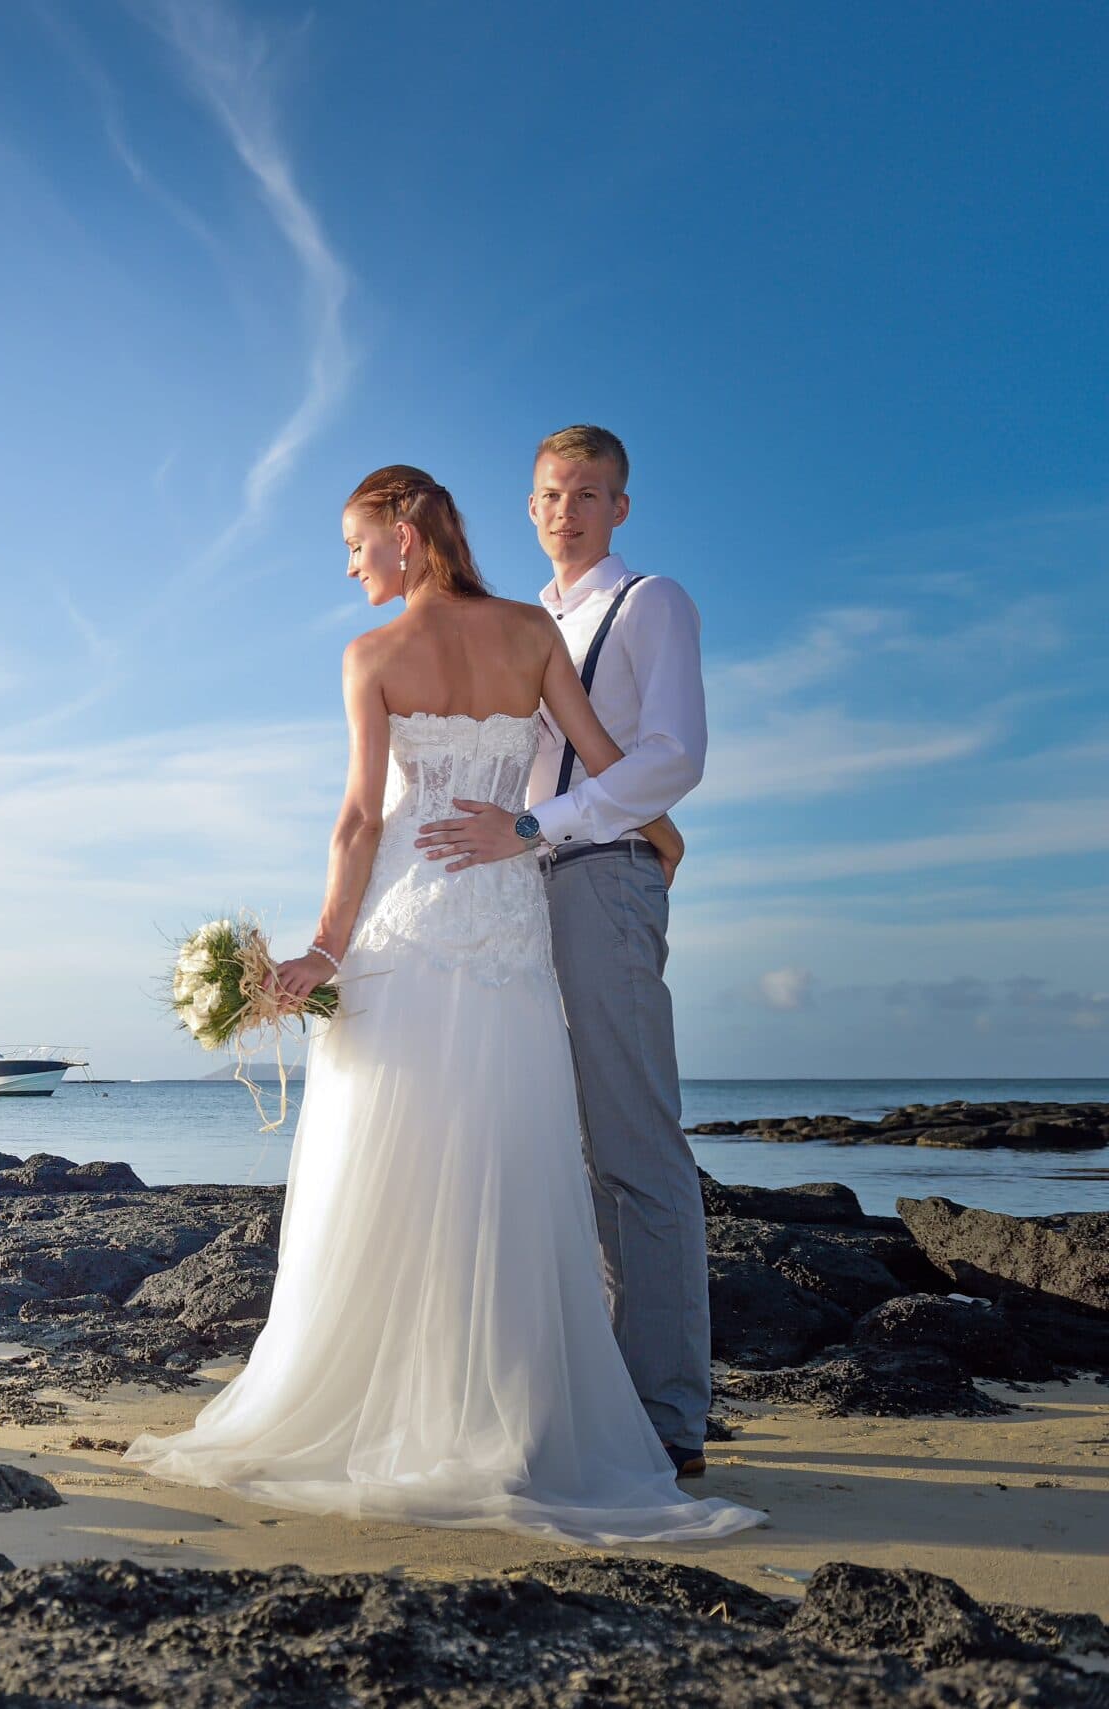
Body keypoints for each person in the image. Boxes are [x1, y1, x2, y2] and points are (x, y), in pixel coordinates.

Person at [126, 463, 756, 1545]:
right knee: (510, 1157)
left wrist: (323, 948)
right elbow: (605, 763)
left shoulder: (368, 655)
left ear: (405, 534)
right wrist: (662, 839)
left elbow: (359, 821)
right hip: (507, 919)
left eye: (355, 541)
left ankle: (398, 1401)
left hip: (408, 923)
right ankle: (514, 1413)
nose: (350, 562)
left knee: (389, 1154)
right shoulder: (529, 630)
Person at [414, 426, 712, 1475]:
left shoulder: (650, 601)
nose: (566, 511)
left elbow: (675, 756)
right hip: (517, 897)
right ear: (528, 505)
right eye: (549, 493)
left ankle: (671, 1418)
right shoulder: (525, 618)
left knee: (635, 1147)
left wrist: (542, 829)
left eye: (588, 494)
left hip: (600, 878)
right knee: (560, 1149)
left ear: (619, 506)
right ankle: (599, 1397)